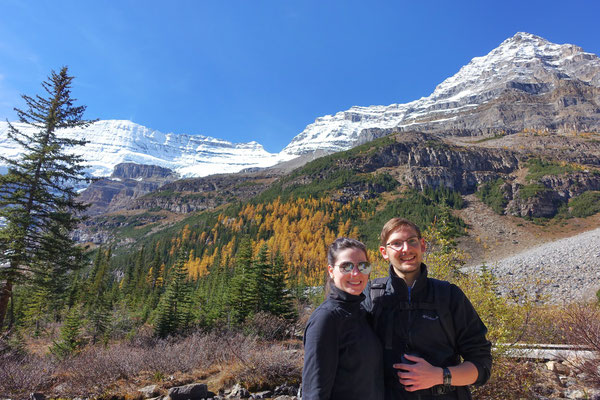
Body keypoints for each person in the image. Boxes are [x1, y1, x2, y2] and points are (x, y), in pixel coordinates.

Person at [363, 218, 492, 400]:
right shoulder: (370, 296)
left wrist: (439, 375)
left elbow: (482, 366)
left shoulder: (448, 295)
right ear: (384, 252)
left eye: (412, 241)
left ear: (422, 245)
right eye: (397, 243)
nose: (406, 249)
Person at [302, 237, 384, 400]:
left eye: (363, 266)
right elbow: (314, 392)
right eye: (346, 266)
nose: (356, 273)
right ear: (331, 271)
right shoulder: (326, 319)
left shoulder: (362, 313)